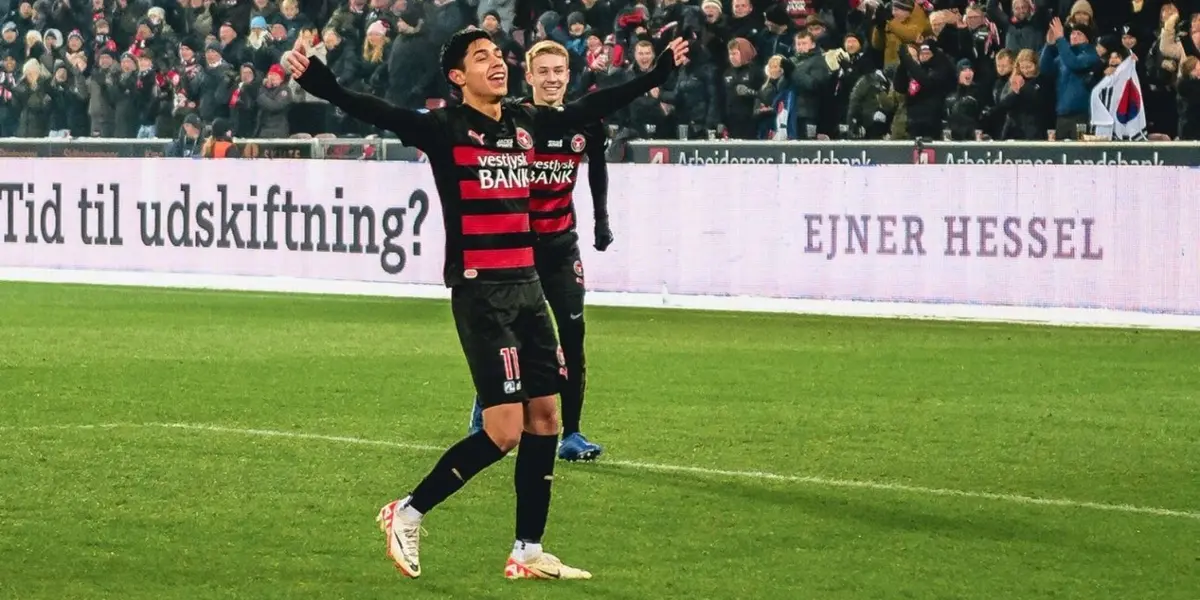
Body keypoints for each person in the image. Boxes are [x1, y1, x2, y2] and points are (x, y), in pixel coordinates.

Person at [283, 27, 689, 580]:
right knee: (502, 432)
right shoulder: (444, 129)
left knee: (547, 417)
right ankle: (408, 510)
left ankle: (527, 550)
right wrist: (323, 83)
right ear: (458, 77)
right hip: (482, 294)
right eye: (482, 59)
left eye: (499, 56)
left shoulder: (527, 122)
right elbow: (374, 110)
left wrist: (655, 76)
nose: (497, 64)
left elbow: (596, 104)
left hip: (527, 286)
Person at [465, 40, 610, 463]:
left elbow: (597, 172)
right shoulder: (511, 121)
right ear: (528, 77)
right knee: (511, 336)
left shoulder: (586, 122)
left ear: (568, 74)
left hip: (562, 246)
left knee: (573, 337)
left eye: (558, 71)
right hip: (518, 249)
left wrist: (602, 221)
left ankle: (573, 433)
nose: (551, 79)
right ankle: (488, 406)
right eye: (542, 71)